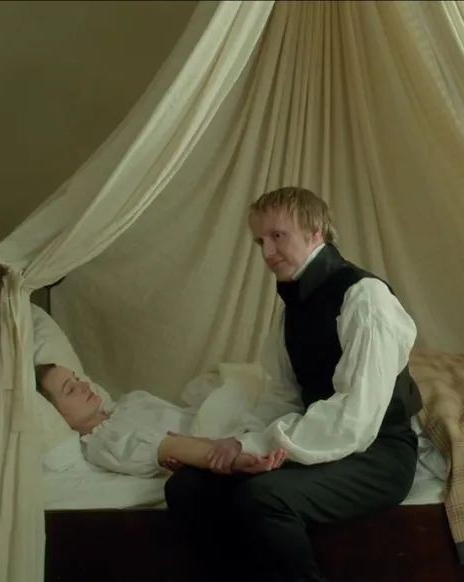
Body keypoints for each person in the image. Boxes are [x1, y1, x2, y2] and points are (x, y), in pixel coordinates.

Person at [164, 186, 423, 581]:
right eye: (260, 241)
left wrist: (260, 445)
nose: (267, 252)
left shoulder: (365, 297)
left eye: (277, 236)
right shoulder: (292, 310)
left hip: (378, 453)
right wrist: (241, 443)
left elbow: (356, 417)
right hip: (321, 438)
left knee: (264, 497)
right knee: (186, 487)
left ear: (315, 231)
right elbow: (282, 395)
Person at [35, 363, 286, 477]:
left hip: (229, 423)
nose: (83, 385)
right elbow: (173, 446)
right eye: (70, 389)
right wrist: (241, 459)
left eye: (77, 379)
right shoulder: (105, 442)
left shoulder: (129, 402)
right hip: (229, 443)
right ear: (55, 414)